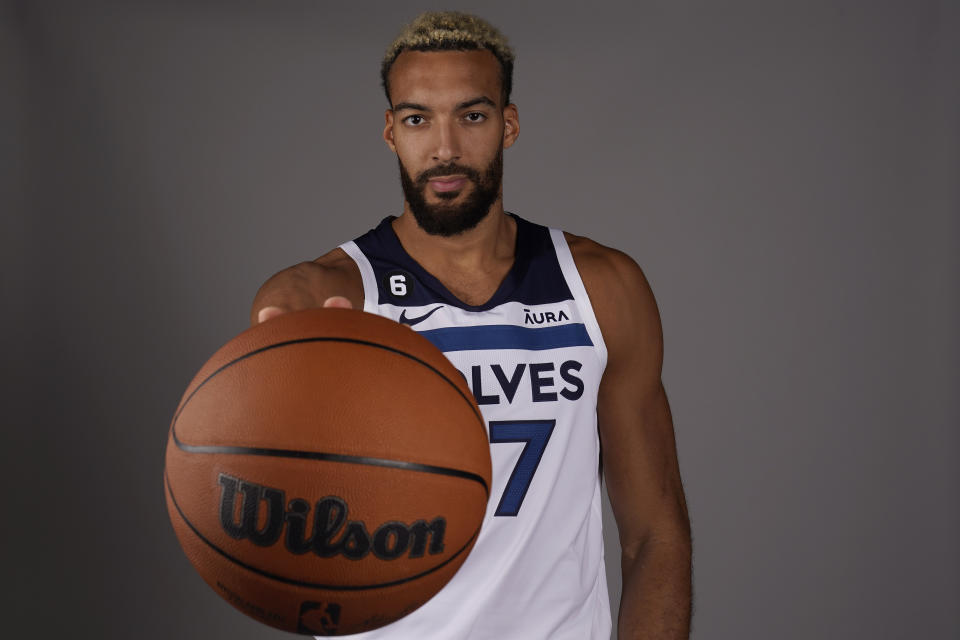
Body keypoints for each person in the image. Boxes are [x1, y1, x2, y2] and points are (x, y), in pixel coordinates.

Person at [252, 11, 691, 639]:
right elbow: (276, 524)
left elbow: (655, 534)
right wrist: (296, 388)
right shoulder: (323, 297)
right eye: (417, 119)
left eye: (473, 115)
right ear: (390, 132)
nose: (445, 148)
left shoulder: (600, 287)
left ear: (508, 125)